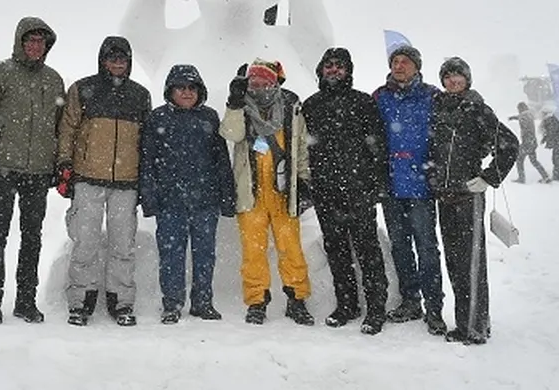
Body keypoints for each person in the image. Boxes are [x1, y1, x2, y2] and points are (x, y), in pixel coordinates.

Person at [0, 17, 66, 326]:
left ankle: (25, 301)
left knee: (32, 236)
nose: (36, 46)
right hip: (2, 168)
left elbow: (61, 126)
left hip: (38, 171)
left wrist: (57, 164)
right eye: (30, 41)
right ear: (20, 43)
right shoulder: (0, 74)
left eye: (41, 41)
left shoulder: (53, 80)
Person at [58, 36, 152, 327]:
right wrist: (64, 165)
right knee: (85, 242)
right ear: (102, 59)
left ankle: (120, 302)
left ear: (129, 61)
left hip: (126, 183)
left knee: (122, 245)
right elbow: (68, 128)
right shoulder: (83, 90)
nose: (117, 62)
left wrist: (146, 178)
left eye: (122, 58)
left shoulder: (140, 95)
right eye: (112, 57)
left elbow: (147, 141)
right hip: (87, 179)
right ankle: (80, 302)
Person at [427, 57, 518, 345]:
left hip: (469, 197)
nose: (453, 81)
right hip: (445, 196)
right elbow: (432, 149)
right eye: (448, 77)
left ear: (467, 80)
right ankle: (466, 321)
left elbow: (509, 144)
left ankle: (476, 327)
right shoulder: (438, 108)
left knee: (471, 264)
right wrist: (432, 176)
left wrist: (489, 177)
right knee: (454, 263)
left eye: (458, 76)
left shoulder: (477, 109)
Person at [302, 48, 390, 335]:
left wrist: (376, 184)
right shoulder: (311, 105)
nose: (334, 70)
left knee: (368, 251)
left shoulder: (363, 102)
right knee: (337, 251)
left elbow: (377, 145)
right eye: (329, 65)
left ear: (348, 71)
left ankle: (376, 309)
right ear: (321, 70)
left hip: (359, 189)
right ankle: (347, 304)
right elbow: (303, 149)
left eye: (340, 66)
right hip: (326, 192)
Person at [220, 59, 315, 325]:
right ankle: (256, 302)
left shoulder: (291, 109)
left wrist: (305, 181)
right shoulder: (241, 107)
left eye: (264, 81)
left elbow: (301, 147)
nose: (258, 86)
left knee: (291, 249)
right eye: (254, 82)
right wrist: (234, 102)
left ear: (274, 83)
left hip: (284, 193)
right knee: (253, 252)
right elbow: (231, 133)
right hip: (251, 193)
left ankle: (297, 299)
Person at [138, 64, 234, 324]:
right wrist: (149, 197)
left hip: (205, 201)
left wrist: (227, 196)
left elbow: (221, 160)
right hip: (170, 202)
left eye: (192, 87)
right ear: (170, 90)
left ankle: (202, 302)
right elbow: (147, 161)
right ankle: (172, 304)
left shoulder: (209, 118)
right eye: (181, 87)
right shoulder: (157, 118)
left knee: (205, 254)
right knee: (171, 255)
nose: (187, 92)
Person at [372, 45, 447, 336]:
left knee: (427, 248)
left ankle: (434, 307)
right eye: (395, 61)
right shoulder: (380, 97)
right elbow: (372, 137)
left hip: (421, 187)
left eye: (405, 62)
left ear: (416, 67)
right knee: (400, 247)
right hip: (390, 186)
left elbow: (445, 137)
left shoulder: (431, 97)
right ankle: (410, 301)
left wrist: (436, 173)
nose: (399, 66)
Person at [508, 102, 549, 183]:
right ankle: (545, 176)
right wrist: (514, 117)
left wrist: (525, 142)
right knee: (534, 161)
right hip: (533, 142)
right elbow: (522, 117)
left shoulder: (523, 116)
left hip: (527, 143)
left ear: (520, 109)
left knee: (519, 160)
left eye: (518, 109)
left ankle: (521, 178)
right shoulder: (529, 115)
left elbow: (524, 123)